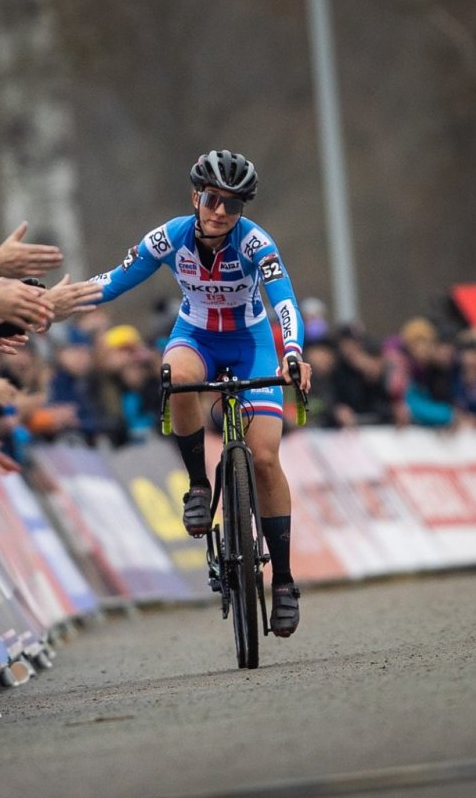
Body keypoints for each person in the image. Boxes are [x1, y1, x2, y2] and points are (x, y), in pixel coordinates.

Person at [88, 149, 311, 636]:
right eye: (212, 199)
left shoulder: (256, 244)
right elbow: (112, 282)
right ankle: (198, 484)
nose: (220, 212)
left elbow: (285, 300)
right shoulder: (168, 237)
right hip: (196, 337)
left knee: (266, 458)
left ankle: (286, 582)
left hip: (251, 344)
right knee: (176, 374)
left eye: (232, 206)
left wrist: (292, 351)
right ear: (196, 196)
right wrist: (55, 300)